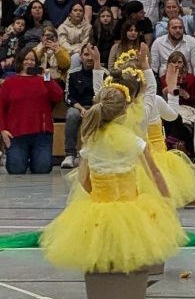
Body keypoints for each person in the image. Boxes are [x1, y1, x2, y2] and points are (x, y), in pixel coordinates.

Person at [40, 81, 184, 281]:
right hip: (131, 207)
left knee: (102, 252)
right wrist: (166, 200)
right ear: (124, 110)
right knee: (130, 252)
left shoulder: (91, 140)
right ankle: (128, 291)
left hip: (99, 205)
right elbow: (155, 173)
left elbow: (82, 178)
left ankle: (105, 291)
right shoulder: (134, 141)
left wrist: (96, 194)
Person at [0, 47, 63, 174]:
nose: (29, 62)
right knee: (16, 170)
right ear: (20, 60)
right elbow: (1, 108)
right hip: (16, 134)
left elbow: (58, 96)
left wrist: (47, 77)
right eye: (26, 59)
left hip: (41, 134)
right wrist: (3, 130)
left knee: (43, 169)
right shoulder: (9, 83)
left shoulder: (44, 80)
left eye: (32, 60)